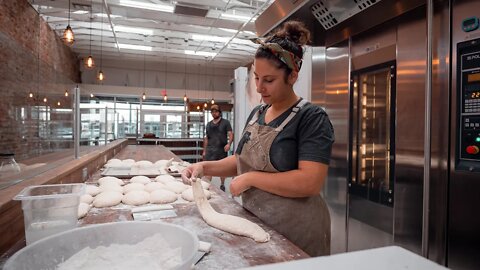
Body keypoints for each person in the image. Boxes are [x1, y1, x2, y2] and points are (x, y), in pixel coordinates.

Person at [182, 20, 334, 257]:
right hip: (258, 221)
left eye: (269, 80)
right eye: (256, 78)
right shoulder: (257, 114)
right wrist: (203, 166)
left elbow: (310, 182)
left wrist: (251, 178)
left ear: (292, 76)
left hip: (298, 232)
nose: (260, 87)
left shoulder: (311, 117)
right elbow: (242, 161)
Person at [202, 104, 233, 191]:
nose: (214, 113)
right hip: (210, 150)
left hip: (221, 149)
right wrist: (204, 150)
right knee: (208, 169)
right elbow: (206, 138)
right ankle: (207, 186)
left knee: (222, 169)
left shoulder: (225, 122)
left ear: (219, 112)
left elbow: (230, 134)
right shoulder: (208, 124)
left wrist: (229, 144)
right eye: (212, 112)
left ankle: (222, 185)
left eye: (216, 111)